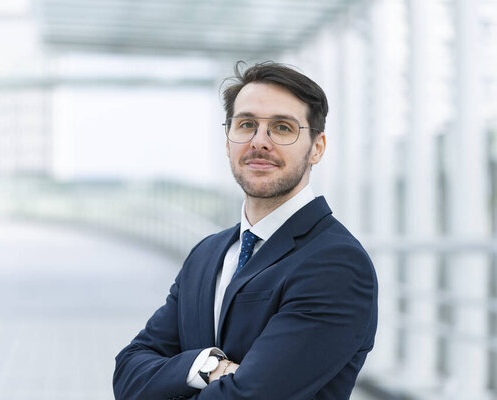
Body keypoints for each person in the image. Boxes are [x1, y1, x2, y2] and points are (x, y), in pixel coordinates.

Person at [113, 61, 378, 400]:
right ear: (228, 141)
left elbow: (251, 396)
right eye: (246, 124)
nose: (259, 142)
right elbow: (128, 373)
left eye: (282, 128)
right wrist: (206, 366)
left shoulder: (336, 264)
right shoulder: (207, 254)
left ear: (317, 147)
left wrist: (173, 378)